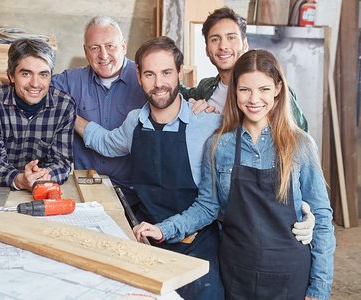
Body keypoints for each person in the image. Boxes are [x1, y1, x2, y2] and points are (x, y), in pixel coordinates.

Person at [134, 49, 335, 300]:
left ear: (278, 89)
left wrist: (319, 289)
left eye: (263, 89)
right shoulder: (220, 145)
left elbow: (322, 219)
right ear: (234, 91)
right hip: (236, 273)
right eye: (244, 89)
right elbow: (207, 207)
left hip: (289, 275)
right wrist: (164, 229)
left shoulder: (300, 145)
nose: (254, 99)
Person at [75, 36, 223, 299]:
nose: (159, 84)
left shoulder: (208, 124)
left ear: (180, 73)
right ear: (139, 76)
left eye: (166, 73)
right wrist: (70, 116)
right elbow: (106, 143)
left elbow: (211, 204)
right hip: (146, 244)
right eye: (150, 74)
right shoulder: (135, 122)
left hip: (196, 249)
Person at [0, 16, 146, 204]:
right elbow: (35, 86)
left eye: (110, 46)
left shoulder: (145, 80)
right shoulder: (70, 80)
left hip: (130, 190)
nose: (103, 55)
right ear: (85, 51)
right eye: (94, 47)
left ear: (124, 46)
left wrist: (71, 120)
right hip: (82, 185)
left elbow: (63, 161)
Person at [0, 38, 76, 191]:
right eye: (26, 74)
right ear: (11, 76)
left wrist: (42, 176)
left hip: (39, 185)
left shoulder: (65, 106)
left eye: (43, 75)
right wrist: (18, 179)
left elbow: (62, 163)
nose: (35, 83)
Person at [181, 6, 309, 132]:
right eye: (215, 39)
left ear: (245, 44)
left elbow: (300, 139)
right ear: (207, 50)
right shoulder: (206, 88)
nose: (223, 46)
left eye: (231, 37)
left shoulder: (272, 90)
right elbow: (176, 91)